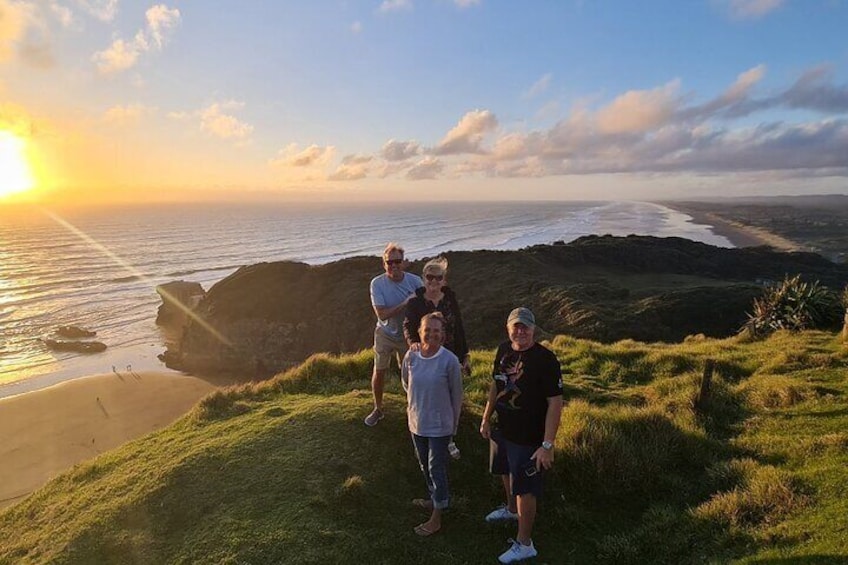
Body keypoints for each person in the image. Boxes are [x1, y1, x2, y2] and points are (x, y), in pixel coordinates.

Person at [479, 307, 564, 564]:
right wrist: (485, 417)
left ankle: (525, 543)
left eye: (526, 326)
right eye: (516, 326)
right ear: (508, 328)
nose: (521, 331)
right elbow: (497, 385)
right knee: (505, 470)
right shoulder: (503, 350)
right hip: (503, 428)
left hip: (529, 437)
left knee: (525, 488)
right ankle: (510, 510)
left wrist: (547, 445)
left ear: (534, 329)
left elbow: (556, 403)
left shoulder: (545, 359)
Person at [401, 312, 463, 536]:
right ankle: (434, 498)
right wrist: (418, 404)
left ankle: (437, 516)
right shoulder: (411, 355)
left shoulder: (450, 361)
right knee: (424, 465)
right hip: (416, 422)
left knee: (436, 468)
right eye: (428, 329)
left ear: (443, 335)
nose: (432, 334)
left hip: (440, 426)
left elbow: (457, 396)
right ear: (420, 332)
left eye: (437, 330)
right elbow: (406, 383)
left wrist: (453, 427)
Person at [365, 242, 424, 426]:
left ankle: (414, 408)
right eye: (389, 262)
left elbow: (425, 309)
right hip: (385, 333)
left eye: (397, 261)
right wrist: (405, 303)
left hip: (408, 334)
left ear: (404, 262)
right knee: (380, 370)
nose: (394, 265)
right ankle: (378, 408)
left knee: (411, 374)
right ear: (384, 264)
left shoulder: (415, 281)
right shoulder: (377, 283)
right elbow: (381, 314)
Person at [403, 256, 470, 375]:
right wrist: (413, 342)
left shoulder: (450, 299)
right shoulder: (415, 302)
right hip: (426, 354)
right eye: (430, 277)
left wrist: (465, 354)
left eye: (439, 277)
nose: (434, 281)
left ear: (444, 281)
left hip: (450, 353)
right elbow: (408, 326)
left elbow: (458, 327)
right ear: (423, 279)